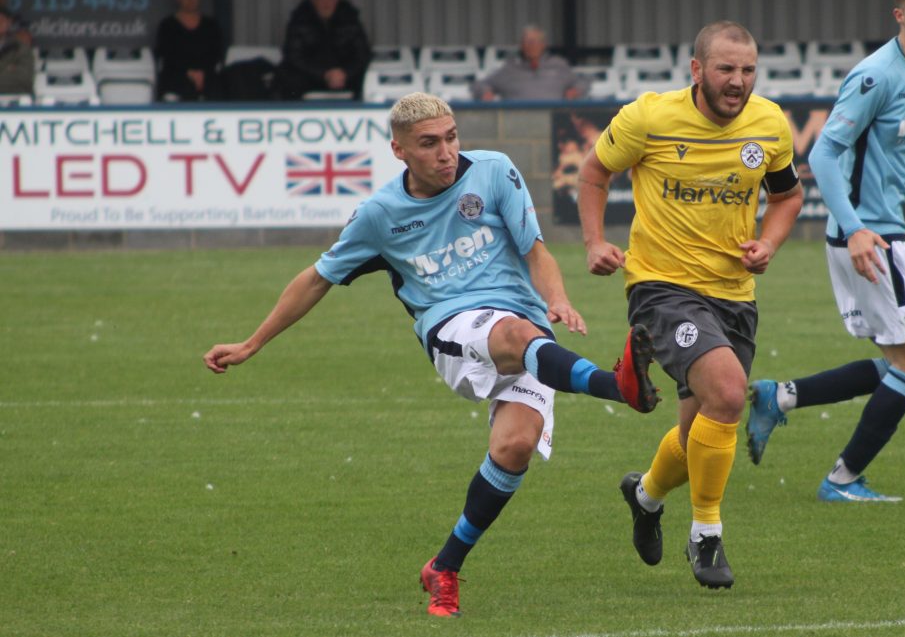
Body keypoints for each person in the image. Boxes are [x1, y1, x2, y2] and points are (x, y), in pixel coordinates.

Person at [203, 92, 660, 618]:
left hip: (528, 333)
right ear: (399, 150)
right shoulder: (379, 215)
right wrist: (251, 343)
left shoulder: (493, 172)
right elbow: (316, 279)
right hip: (453, 328)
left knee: (514, 447)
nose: (446, 153)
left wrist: (556, 298)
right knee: (513, 334)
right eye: (428, 143)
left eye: (451, 137)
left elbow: (536, 250)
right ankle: (615, 385)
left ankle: (443, 566)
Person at [576, 21, 803, 589]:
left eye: (748, 70)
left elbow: (788, 196)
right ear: (697, 70)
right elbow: (594, 173)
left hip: (734, 294)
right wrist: (595, 242)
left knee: (698, 430)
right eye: (726, 69)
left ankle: (646, 495)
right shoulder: (649, 118)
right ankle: (706, 536)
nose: (738, 82)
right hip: (661, 287)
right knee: (728, 394)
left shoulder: (770, 123)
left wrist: (768, 243)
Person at [746, 0, 905, 503]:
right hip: (867, 235)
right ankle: (841, 480)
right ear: (899, 13)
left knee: (901, 358)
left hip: (885, 231)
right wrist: (855, 228)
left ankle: (782, 396)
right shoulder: (874, 76)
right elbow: (822, 152)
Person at [275, 0, 370, 100]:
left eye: (331, 0)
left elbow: (363, 54)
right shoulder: (300, 19)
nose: (326, 4)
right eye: (321, 0)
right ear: (313, 0)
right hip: (310, 80)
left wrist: (345, 73)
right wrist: (324, 75)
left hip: (346, 79)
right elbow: (293, 56)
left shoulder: (350, 19)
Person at [470, 25, 590, 101]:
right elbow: (479, 85)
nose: (532, 46)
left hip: (554, 126)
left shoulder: (558, 66)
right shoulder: (510, 69)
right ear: (522, 45)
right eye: (528, 42)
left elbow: (583, 82)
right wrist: (485, 92)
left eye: (536, 42)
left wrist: (576, 90)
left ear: (544, 45)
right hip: (517, 124)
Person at [155, 0, 225, 101]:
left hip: (207, 79)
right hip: (177, 79)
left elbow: (216, 55)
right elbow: (167, 58)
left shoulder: (211, 26)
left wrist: (202, 74)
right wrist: (189, 73)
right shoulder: (167, 26)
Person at [0, 6, 33, 95]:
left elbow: (25, 78)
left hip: (15, 102)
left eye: (2, 20)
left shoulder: (21, 48)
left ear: (9, 22)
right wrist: (7, 70)